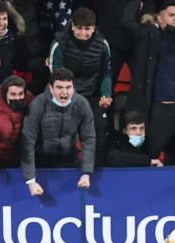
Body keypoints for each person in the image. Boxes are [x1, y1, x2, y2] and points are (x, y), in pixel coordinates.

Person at [121, 0, 175, 165]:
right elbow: (126, 22)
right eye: (171, 15)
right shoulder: (148, 36)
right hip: (158, 110)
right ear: (159, 18)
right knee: (150, 157)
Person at [49, 7, 112, 166]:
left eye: (87, 29)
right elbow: (57, 78)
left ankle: (96, 170)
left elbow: (106, 73)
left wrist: (106, 94)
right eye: (79, 28)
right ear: (72, 26)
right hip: (64, 96)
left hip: (92, 95)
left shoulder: (102, 44)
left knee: (98, 132)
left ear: (94, 28)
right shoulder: (59, 44)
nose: (83, 33)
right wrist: (70, 98)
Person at [19, 67, 95, 196]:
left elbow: (89, 138)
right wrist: (31, 181)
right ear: (51, 88)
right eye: (59, 87)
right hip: (41, 162)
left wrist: (86, 173)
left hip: (69, 160)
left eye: (68, 87)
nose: (64, 92)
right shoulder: (38, 104)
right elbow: (27, 142)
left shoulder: (82, 104)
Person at [0, 75, 34, 169]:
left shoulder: (29, 99)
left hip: (21, 153)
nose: (17, 98)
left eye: (20, 94)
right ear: (5, 94)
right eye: (13, 94)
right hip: (0, 156)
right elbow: (6, 131)